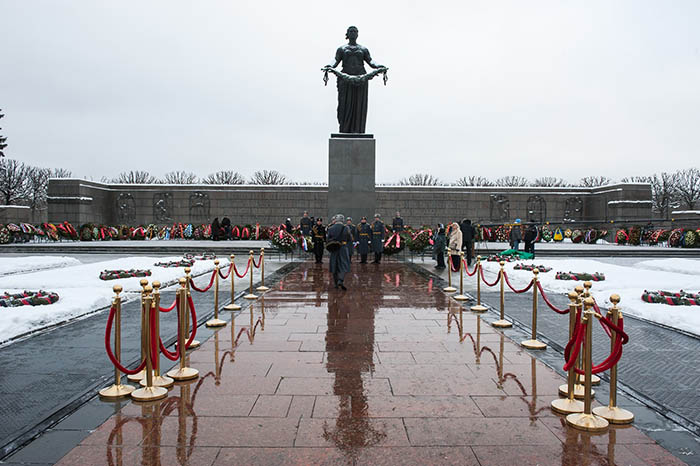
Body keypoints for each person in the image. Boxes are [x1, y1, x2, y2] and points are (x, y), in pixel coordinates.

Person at [323, 26, 387, 134]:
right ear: (347, 34)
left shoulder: (363, 49)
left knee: (359, 105)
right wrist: (329, 66)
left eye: (355, 31)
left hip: (361, 79)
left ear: (357, 34)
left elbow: (371, 61)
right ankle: (344, 130)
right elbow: (335, 60)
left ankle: (358, 130)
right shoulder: (342, 49)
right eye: (351, 31)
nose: (353, 33)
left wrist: (379, 66)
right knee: (344, 105)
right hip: (345, 79)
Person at [326, 214, 352, 290]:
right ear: (343, 220)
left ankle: (335, 283)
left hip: (334, 248)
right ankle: (340, 280)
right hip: (343, 248)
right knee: (343, 265)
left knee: (334, 265)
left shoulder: (330, 228)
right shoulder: (346, 228)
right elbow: (349, 238)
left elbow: (327, 239)